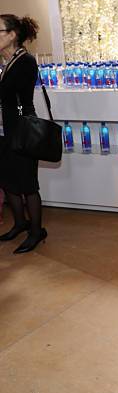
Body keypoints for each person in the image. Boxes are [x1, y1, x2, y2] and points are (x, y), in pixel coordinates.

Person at [0, 14, 47, 253]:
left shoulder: (25, 62)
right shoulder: (4, 63)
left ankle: (36, 231)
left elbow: (8, 93)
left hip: (22, 130)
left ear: (12, 35)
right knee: (7, 181)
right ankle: (19, 223)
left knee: (27, 183)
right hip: (4, 131)